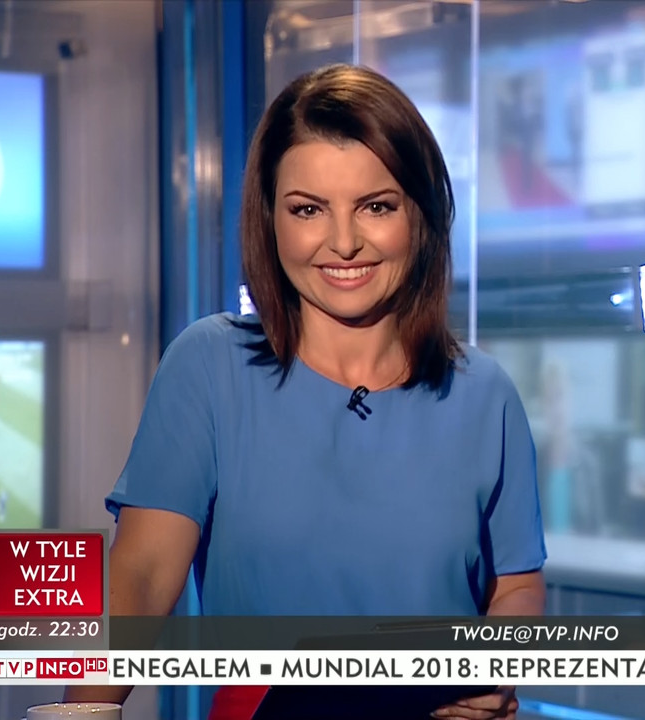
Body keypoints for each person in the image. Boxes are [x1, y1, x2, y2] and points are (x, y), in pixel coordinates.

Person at [65, 64, 547, 720]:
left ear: (421, 215)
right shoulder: (210, 367)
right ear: (270, 219)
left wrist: (492, 670)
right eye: (308, 210)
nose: (343, 243)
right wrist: (81, 713)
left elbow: (516, 588)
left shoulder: (485, 395)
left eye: (376, 206)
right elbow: (142, 577)